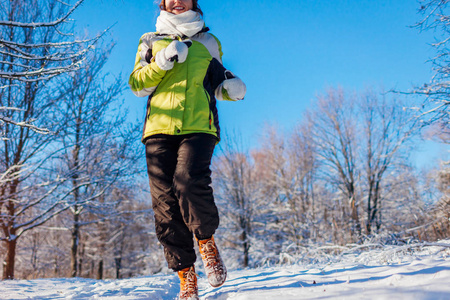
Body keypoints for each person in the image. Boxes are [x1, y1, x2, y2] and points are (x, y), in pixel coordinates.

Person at [128, 0, 246, 299]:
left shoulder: (208, 41)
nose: (177, 1)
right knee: (165, 206)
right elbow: (137, 84)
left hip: (199, 126)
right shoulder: (150, 40)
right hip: (158, 129)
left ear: (194, 2)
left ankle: (206, 242)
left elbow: (217, 83)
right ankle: (186, 276)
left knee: (189, 181)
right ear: (163, 3)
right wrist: (163, 61)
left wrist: (233, 90)